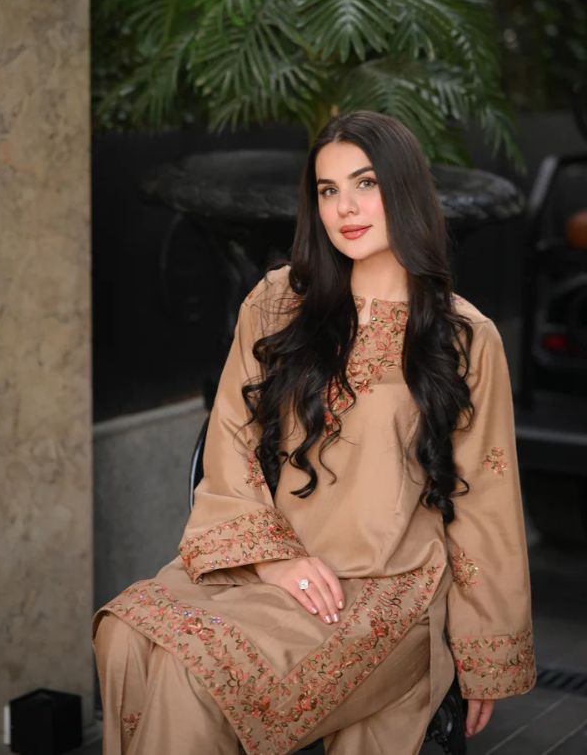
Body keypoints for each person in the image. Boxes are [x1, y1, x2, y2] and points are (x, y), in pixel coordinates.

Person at [93, 111, 536, 755]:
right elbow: (231, 441)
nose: (345, 208)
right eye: (328, 191)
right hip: (269, 564)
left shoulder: (463, 337)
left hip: (386, 588)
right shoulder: (278, 303)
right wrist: (273, 559)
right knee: (127, 636)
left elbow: (483, 498)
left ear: (404, 191)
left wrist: (483, 652)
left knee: (192, 674)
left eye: (365, 184)